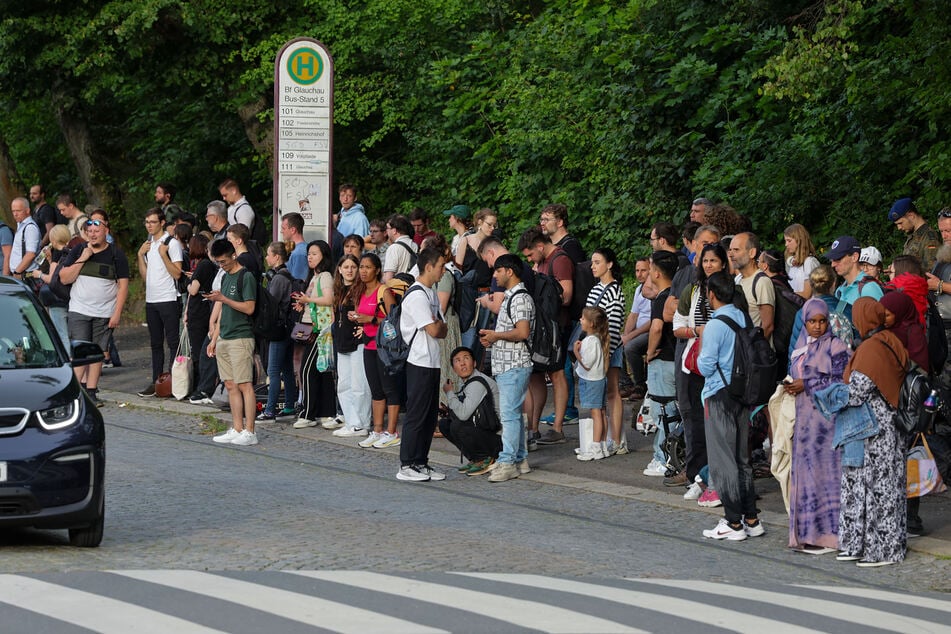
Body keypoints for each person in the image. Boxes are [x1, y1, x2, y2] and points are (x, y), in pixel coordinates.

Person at [834, 297, 908, 566]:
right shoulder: (890, 340)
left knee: (877, 488)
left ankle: (882, 550)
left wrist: (830, 395)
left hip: (872, 428)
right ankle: (866, 544)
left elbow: (857, 391)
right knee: (882, 486)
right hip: (888, 424)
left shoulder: (870, 349)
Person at [696, 271, 764, 541]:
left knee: (723, 461)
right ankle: (751, 518)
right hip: (742, 394)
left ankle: (733, 522)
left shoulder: (715, 324)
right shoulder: (742, 317)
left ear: (712, 295)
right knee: (742, 459)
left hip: (719, 394)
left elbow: (705, 365)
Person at [784, 299, 851, 554]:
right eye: (812, 321)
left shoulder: (836, 346)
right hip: (804, 423)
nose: (817, 326)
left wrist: (807, 384)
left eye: (822, 321)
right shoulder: (801, 346)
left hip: (827, 424)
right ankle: (807, 533)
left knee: (826, 477)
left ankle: (828, 535)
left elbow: (842, 381)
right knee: (806, 475)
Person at [55, 214, 130, 407]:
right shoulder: (79, 249)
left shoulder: (116, 254)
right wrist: (83, 258)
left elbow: (123, 286)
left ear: (106, 231)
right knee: (80, 351)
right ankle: (75, 392)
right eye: (90, 231)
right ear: (86, 233)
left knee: (97, 353)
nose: (93, 234)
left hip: (104, 312)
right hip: (79, 310)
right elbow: (64, 278)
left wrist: (117, 313)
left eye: (97, 231)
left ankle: (91, 391)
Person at [672, 243, 729, 491]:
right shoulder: (693, 290)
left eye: (713, 261)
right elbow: (677, 325)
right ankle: (696, 473)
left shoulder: (730, 290)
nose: (708, 265)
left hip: (722, 364)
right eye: (705, 261)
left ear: (723, 264)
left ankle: (719, 477)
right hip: (695, 361)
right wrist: (697, 331)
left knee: (719, 422)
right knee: (695, 419)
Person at [395, 247, 449, 482]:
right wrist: (437, 326)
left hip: (432, 360)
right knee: (417, 414)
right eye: (440, 266)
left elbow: (443, 329)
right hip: (418, 360)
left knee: (429, 415)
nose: (443, 270)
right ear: (428, 267)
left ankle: (420, 461)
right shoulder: (417, 295)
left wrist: (437, 326)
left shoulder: (431, 293)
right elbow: (434, 328)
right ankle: (406, 464)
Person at [480, 254, 534, 482]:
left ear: (509, 272)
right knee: (513, 414)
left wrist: (495, 335)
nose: (494, 275)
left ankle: (508, 461)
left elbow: (522, 332)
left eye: (498, 271)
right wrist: (493, 338)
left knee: (509, 415)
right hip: (507, 364)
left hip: (514, 364)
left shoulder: (520, 298)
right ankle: (520, 458)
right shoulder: (512, 297)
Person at [518, 227, 573, 445]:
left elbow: (566, 296)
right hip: (542, 328)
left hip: (555, 328)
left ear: (540, 246)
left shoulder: (559, 260)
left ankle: (558, 427)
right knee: (536, 376)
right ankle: (534, 426)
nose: (530, 259)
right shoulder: (541, 262)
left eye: (531, 254)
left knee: (557, 375)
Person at [207, 240, 259, 446]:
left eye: (224, 261)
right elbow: (223, 314)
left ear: (233, 256)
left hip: (241, 337)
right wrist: (214, 338)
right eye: (218, 263)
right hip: (225, 337)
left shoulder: (245, 277)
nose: (222, 266)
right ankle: (237, 427)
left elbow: (249, 308)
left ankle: (250, 431)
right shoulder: (226, 277)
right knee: (230, 384)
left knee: (245, 384)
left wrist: (224, 299)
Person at [351, 254, 401, 448]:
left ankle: (392, 432)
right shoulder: (361, 292)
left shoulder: (384, 292)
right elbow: (363, 316)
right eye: (361, 267)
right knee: (376, 390)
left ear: (377, 270)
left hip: (385, 348)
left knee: (390, 389)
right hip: (369, 346)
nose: (363, 271)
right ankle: (378, 430)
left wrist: (370, 319)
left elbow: (394, 321)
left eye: (367, 267)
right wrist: (357, 318)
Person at [137, 208, 183, 397]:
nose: (149, 225)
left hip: (169, 298)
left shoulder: (171, 244)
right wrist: (140, 256)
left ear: (162, 222)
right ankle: (157, 381)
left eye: (153, 222)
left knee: (172, 342)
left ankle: (173, 381)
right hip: (152, 299)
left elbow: (177, 273)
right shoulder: (148, 244)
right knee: (155, 343)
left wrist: (164, 255)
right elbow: (146, 277)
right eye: (147, 222)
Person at [642, 250, 679, 477]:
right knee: (675, 410)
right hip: (675, 359)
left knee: (663, 412)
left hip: (662, 360)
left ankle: (663, 457)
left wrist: (648, 352)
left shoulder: (661, 299)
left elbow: (656, 327)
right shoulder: (676, 296)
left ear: (656, 273)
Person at [292, 240, 336, 429]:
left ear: (324, 256)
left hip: (319, 329)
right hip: (312, 325)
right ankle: (326, 412)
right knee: (321, 370)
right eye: (309, 254)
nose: (310, 257)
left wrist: (308, 299)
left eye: (314, 254)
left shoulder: (325, 275)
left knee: (307, 370)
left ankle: (308, 413)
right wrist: (305, 303)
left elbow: (328, 299)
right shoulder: (314, 276)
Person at [586, 247, 626, 454]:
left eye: (597, 262)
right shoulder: (595, 289)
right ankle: (606, 438)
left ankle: (617, 439)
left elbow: (614, 326)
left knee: (612, 392)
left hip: (608, 346)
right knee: (602, 394)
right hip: (595, 346)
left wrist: (607, 353)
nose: (593, 266)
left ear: (609, 264)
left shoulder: (615, 290)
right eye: (592, 262)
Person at [439, 346, 501, 475]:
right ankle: (476, 458)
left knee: (458, 426)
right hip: (486, 431)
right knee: (445, 424)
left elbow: (463, 415)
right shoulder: (468, 382)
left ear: (474, 363)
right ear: (454, 368)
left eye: (466, 358)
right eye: (457, 360)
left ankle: (486, 458)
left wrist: (450, 393)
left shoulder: (477, 383)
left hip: (500, 439)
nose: (462, 363)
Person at [257, 242, 300, 422]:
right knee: (287, 369)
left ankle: (270, 410)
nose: (266, 258)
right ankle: (289, 405)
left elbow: (270, 303)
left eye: (268, 254)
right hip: (288, 328)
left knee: (273, 371)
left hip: (278, 329)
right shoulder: (288, 276)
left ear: (276, 257)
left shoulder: (278, 279)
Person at [332, 254, 372, 437]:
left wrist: (364, 328)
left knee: (359, 385)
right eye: (345, 267)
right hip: (342, 341)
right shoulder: (339, 290)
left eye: (353, 267)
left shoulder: (361, 290)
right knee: (344, 384)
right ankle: (350, 421)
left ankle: (361, 423)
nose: (349, 270)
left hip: (357, 343)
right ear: (339, 269)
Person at [574, 306, 610, 461]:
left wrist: (576, 352)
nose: (580, 320)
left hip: (592, 381)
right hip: (599, 379)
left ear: (591, 324)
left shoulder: (590, 341)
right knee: (601, 412)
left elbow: (587, 363)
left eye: (583, 318)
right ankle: (602, 445)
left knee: (596, 414)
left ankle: (595, 447)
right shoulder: (596, 340)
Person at [184, 234, 217, 403]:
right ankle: (203, 386)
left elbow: (193, 290)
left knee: (199, 351)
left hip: (199, 313)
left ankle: (201, 387)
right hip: (206, 311)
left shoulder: (203, 265)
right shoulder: (211, 266)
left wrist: (189, 281)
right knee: (204, 350)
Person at [728, 232, 775, 345]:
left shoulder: (762, 282)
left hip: (755, 356)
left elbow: (768, 326)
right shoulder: (738, 280)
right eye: (730, 250)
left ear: (752, 253)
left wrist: (752, 351)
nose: (730, 254)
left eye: (736, 250)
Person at [620, 257, 651, 399]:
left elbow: (652, 321)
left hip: (650, 331)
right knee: (616, 343)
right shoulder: (639, 289)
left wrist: (630, 337)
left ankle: (640, 384)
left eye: (643, 270)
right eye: (637, 270)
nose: (639, 274)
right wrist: (625, 336)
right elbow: (633, 315)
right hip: (638, 331)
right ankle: (626, 383)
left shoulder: (654, 289)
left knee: (631, 347)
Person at [889, 197, 941, 272]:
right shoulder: (913, 236)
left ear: (911, 216)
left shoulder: (929, 238)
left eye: (900, 223)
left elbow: (931, 270)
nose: (899, 228)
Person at [783, 223, 819, 298]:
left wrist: (783, 294)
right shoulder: (792, 263)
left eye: (789, 241)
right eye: (785, 241)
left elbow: (806, 294)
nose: (786, 244)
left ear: (799, 241)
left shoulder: (809, 262)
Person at [9, 197, 40, 280]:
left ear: (27, 210)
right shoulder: (21, 225)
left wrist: (17, 272)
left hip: (26, 276)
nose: (15, 214)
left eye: (18, 211)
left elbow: (31, 254)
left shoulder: (30, 228)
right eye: (13, 211)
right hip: (21, 274)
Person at [382, 214, 417, 282]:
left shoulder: (393, 248)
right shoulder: (416, 246)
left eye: (387, 228)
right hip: (414, 289)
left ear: (394, 230)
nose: (386, 231)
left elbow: (388, 278)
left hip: (399, 290)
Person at [281, 212, 309, 281]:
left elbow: (298, 282)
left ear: (293, 230)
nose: (281, 231)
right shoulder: (296, 250)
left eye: (283, 228)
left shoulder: (299, 253)